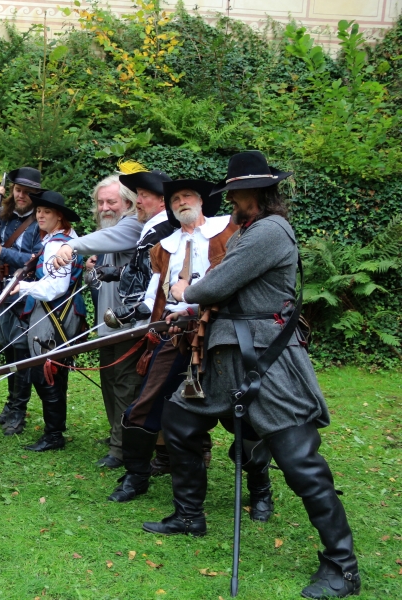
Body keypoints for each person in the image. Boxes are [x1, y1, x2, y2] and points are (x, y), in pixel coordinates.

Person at [143, 151, 359, 599]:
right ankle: (189, 515)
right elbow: (230, 290)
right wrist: (195, 310)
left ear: (254, 193)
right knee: (179, 421)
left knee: (300, 461)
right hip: (225, 354)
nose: (231, 202)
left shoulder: (270, 231)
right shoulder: (248, 230)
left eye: (236, 194)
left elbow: (216, 285)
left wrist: (187, 291)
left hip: (266, 357)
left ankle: (343, 566)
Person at [108, 179, 273, 512]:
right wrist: (136, 312)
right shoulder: (163, 248)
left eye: (187, 196)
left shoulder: (230, 232)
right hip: (177, 334)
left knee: (244, 410)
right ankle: (136, 476)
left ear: (200, 202)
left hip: (226, 334)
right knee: (146, 402)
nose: (181, 202)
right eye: (175, 200)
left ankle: (260, 488)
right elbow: (155, 296)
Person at [53, 166, 174, 468]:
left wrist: (71, 245)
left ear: (128, 203)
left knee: (125, 384)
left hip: (130, 323)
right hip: (108, 324)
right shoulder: (111, 232)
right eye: (100, 202)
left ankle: (123, 449)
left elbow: (111, 240)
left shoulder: (134, 226)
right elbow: (105, 271)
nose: (105, 208)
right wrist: (95, 268)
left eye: (112, 202)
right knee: (110, 382)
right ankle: (116, 436)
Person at [11, 191, 85, 451]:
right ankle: (55, 430)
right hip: (59, 312)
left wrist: (23, 287)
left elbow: (55, 288)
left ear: (59, 216)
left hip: (54, 313)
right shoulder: (62, 239)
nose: (40, 215)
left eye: (47, 212)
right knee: (53, 370)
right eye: (39, 211)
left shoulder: (57, 245)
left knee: (45, 372)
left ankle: (53, 435)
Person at [0, 168, 44, 436]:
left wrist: (3, 253)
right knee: (7, 347)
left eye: (27, 192)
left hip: (23, 293)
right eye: (18, 190)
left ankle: (18, 411)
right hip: (1, 291)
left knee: (21, 352)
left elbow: (38, 260)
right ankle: (10, 405)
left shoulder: (40, 221)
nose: (21, 195)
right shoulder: (3, 214)